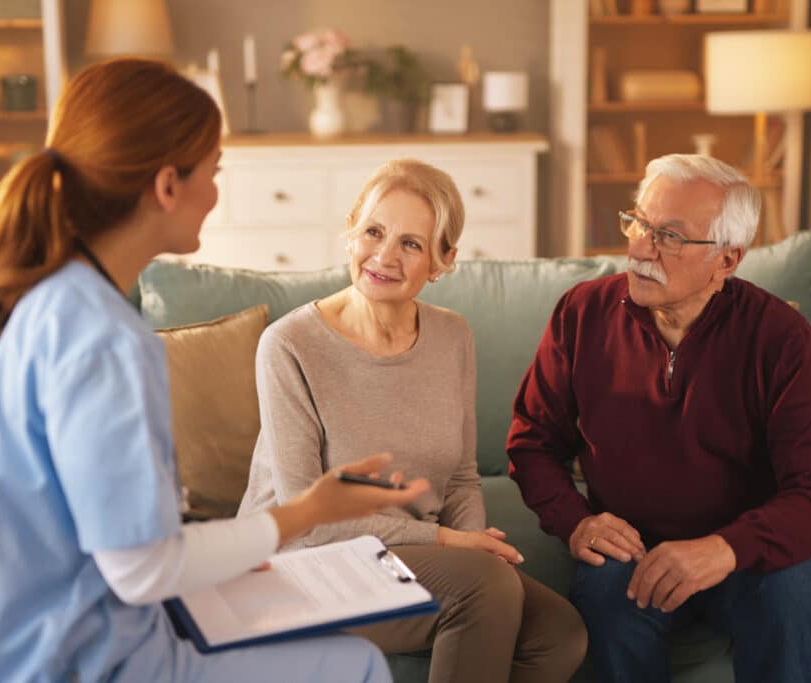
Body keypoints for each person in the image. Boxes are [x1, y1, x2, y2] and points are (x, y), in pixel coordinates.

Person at [0, 58, 429, 683]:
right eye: (213, 171)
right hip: (67, 662)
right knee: (356, 666)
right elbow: (141, 570)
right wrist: (307, 512)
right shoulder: (104, 338)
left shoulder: (36, 296)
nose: (217, 192)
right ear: (167, 185)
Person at [238, 158, 587, 683]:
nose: (383, 256)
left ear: (443, 261)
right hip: (303, 563)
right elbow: (306, 515)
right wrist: (455, 547)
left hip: (409, 557)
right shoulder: (289, 345)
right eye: (373, 232)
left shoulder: (452, 336)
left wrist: (478, 550)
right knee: (483, 590)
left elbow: (463, 477)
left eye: (411, 243)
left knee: (558, 633)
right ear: (350, 232)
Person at [507, 153, 811, 683]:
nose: (641, 248)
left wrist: (725, 549)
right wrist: (576, 521)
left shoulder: (781, 338)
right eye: (639, 223)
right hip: (633, 546)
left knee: (789, 593)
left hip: (746, 550)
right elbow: (531, 442)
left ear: (728, 260)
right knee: (606, 598)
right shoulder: (582, 313)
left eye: (668, 235)